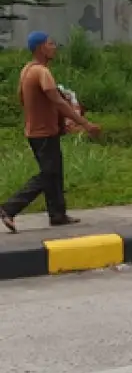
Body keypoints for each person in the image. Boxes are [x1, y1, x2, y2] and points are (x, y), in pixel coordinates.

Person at [1, 32, 101, 233]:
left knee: (55, 172)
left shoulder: (27, 70)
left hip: (38, 131)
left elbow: (27, 101)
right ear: (40, 48)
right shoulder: (42, 72)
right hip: (43, 133)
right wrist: (85, 124)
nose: (54, 47)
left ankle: (57, 215)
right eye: (50, 44)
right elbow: (58, 101)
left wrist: (60, 125)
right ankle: (9, 208)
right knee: (49, 173)